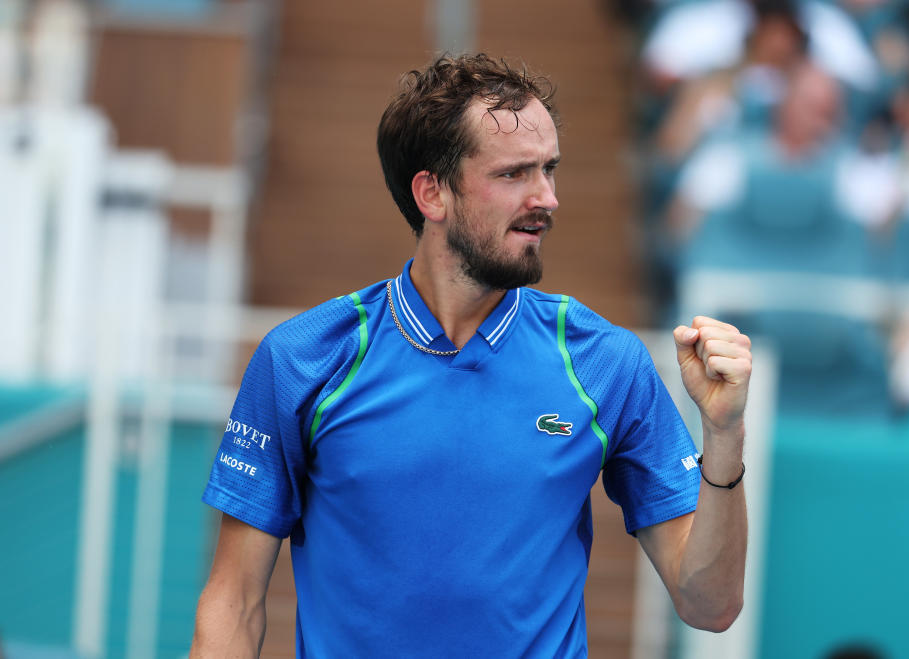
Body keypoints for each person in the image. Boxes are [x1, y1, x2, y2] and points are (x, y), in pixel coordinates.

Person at [190, 53, 751, 658]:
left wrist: (724, 434)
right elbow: (234, 602)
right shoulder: (302, 358)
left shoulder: (605, 360)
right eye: (515, 174)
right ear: (432, 192)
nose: (547, 198)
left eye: (550, 170)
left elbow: (710, 605)